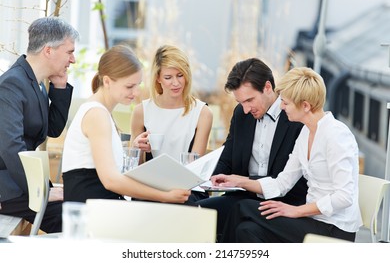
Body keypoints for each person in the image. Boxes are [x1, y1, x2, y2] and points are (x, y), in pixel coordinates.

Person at [219, 67, 362, 243]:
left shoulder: (336, 135)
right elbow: (282, 183)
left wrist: (296, 211)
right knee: (246, 230)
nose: (281, 106)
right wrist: (239, 181)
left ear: (305, 106)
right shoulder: (306, 134)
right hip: (311, 220)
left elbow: (344, 197)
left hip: (334, 228)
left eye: (286, 103)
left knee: (241, 207)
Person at [61, 45, 190, 204]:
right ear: (107, 81)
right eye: (129, 86)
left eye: (138, 85)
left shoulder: (100, 112)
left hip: (100, 204)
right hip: (94, 211)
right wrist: (165, 196)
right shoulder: (97, 115)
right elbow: (111, 181)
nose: (135, 93)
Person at [196, 58, 308, 238]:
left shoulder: (295, 118)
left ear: (268, 87)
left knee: (242, 227)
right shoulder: (241, 114)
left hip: (283, 203)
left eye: (249, 100)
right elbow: (227, 157)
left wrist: (242, 181)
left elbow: (290, 181)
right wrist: (206, 178)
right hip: (243, 197)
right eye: (241, 102)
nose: (246, 109)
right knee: (195, 212)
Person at [0, 17, 79, 233]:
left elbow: (51, 129)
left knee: (79, 206)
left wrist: (60, 87)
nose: (73, 59)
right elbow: (10, 147)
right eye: (69, 52)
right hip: (8, 188)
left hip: (25, 182)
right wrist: (40, 191)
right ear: (48, 50)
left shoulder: (34, 80)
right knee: (73, 217)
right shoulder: (12, 84)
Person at [130, 44, 213, 202]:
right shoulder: (142, 111)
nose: (176, 83)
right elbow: (136, 167)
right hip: (151, 187)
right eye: (168, 77)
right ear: (158, 78)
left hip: (188, 188)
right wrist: (137, 147)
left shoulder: (202, 113)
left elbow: (194, 171)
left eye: (180, 75)